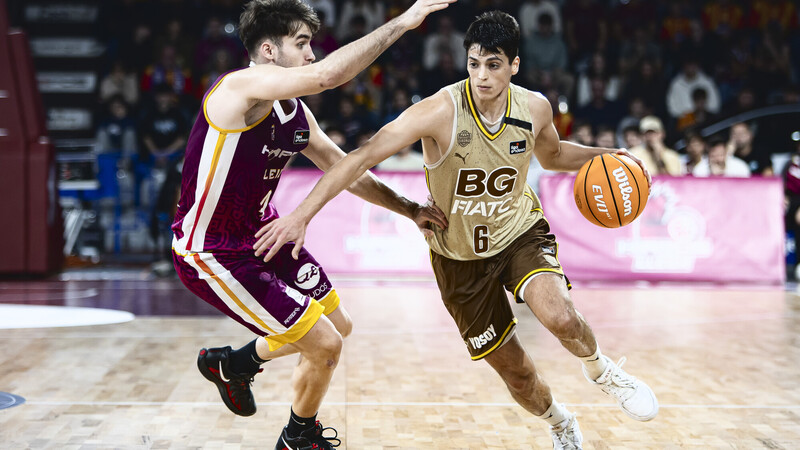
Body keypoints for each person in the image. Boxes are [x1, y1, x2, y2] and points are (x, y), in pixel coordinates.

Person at [255, 11, 659, 449]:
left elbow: (554, 156)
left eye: (493, 64)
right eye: (474, 63)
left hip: (518, 233)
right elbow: (358, 158)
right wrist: (302, 215)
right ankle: (560, 421)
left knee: (560, 315)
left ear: (515, 65)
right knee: (518, 375)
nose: (482, 76)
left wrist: (614, 154)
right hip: (458, 259)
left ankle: (602, 371)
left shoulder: (535, 107)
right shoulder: (438, 111)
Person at [169, 1, 453, 449]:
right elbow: (328, 76)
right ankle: (297, 438)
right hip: (212, 251)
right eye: (301, 43)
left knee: (340, 325)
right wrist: (403, 21)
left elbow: (347, 169)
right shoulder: (238, 88)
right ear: (267, 49)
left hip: (263, 234)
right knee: (324, 345)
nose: (310, 55)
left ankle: (235, 363)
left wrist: (409, 208)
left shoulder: (293, 113)